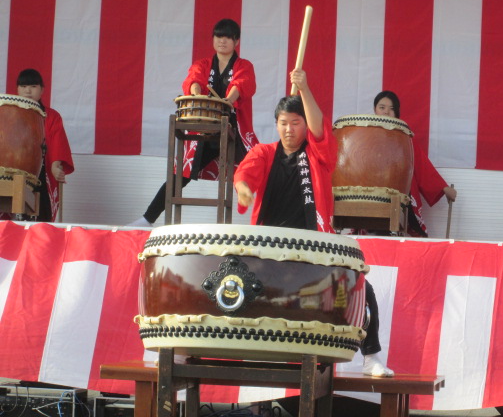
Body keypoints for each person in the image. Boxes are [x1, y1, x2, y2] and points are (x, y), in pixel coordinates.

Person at [234, 69, 394, 377]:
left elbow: (320, 131)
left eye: (296, 123)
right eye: (284, 123)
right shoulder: (264, 153)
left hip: (314, 248)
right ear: (276, 125)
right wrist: (242, 188)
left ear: (305, 125)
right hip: (269, 251)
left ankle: (371, 357)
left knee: (363, 289)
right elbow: (245, 173)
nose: (289, 129)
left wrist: (305, 88)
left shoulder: (319, 156)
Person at [128, 19, 257, 227]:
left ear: (236, 41)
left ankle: (266, 219)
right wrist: (197, 95)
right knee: (180, 175)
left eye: (227, 37)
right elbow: (194, 80)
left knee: (255, 168)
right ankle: (147, 218)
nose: (222, 41)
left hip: (234, 130)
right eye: (218, 36)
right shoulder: (203, 64)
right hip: (205, 128)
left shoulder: (244, 66)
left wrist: (228, 100)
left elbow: (242, 84)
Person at [373, 91, 457, 237]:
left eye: (391, 109)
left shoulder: (405, 137)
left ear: (397, 113)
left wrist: (443, 188)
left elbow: (421, 165)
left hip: (398, 193)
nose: (386, 112)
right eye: (382, 107)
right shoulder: (363, 136)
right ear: (375, 110)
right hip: (371, 192)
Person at [15, 69, 74, 222]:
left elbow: (57, 144)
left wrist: (55, 167)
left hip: (41, 173)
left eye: (33, 86)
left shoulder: (52, 116)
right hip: (13, 171)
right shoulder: (8, 115)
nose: (28, 91)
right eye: (23, 86)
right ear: (17, 89)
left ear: (42, 90)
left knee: (41, 218)